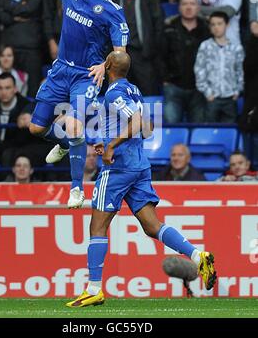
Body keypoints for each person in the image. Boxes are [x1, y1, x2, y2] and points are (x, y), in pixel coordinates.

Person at [66, 50, 217, 308]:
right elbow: (145, 127)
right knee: (151, 225)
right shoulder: (133, 89)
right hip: (139, 165)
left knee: (97, 226)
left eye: (105, 61)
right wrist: (110, 141)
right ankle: (197, 254)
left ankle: (93, 288)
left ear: (110, 65)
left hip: (118, 168)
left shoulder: (113, 93)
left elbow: (138, 123)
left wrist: (112, 146)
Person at [29, 0, 129, 208]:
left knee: (74, 125)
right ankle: (63, 143)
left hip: (86, 76)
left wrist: (104, 66)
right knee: (36, 128)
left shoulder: (111, 10)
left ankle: (76, 189)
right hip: (60, 70)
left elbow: (121, 54)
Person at [111, 0, 164, 95]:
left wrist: (152, 49)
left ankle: (146, 118)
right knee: (120, 93)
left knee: (148, 92)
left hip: (143, 53)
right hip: (121, 52)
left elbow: (158, 24)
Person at [161, 0, 210, 123]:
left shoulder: (207, 29)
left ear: (198, 7)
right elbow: (160, 55)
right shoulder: (168, 28)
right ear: (179, 7)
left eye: (192, 4)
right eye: (184, 4)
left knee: (199, 131)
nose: (188, 7)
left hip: (199, 89)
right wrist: (165, 79)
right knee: (171, 129)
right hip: (173, 87)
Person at [194, 11, 244, 123]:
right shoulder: (205, 46)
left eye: (219, 23)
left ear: (227, 25)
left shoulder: (236, 48)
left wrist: (237, 91)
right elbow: (199, 69)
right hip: (212, 98)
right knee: (209, 130)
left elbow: (240, 71)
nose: (216, 27)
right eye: (213, 24)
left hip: (230, 97)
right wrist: (207, 92)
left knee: (229, 132)